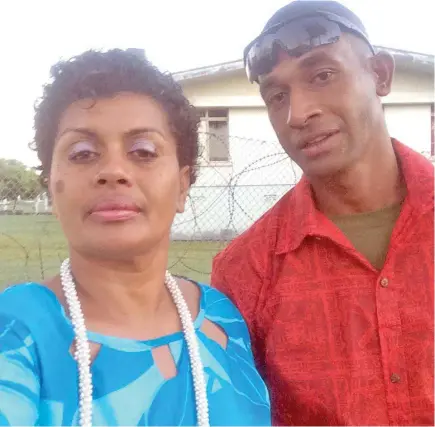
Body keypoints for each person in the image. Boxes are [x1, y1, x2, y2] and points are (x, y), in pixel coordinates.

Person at [0, 49, 271, 426]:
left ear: (182, 185)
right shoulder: (15, 332)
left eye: (142, 151)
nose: (112, 171)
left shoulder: (222, 319)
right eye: (82, 153)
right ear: (51, 187)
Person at [212, 1, 434, 425]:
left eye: (322, 75)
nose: (298, 113)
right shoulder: (246, 272)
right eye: (277, 96)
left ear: (380, 75)